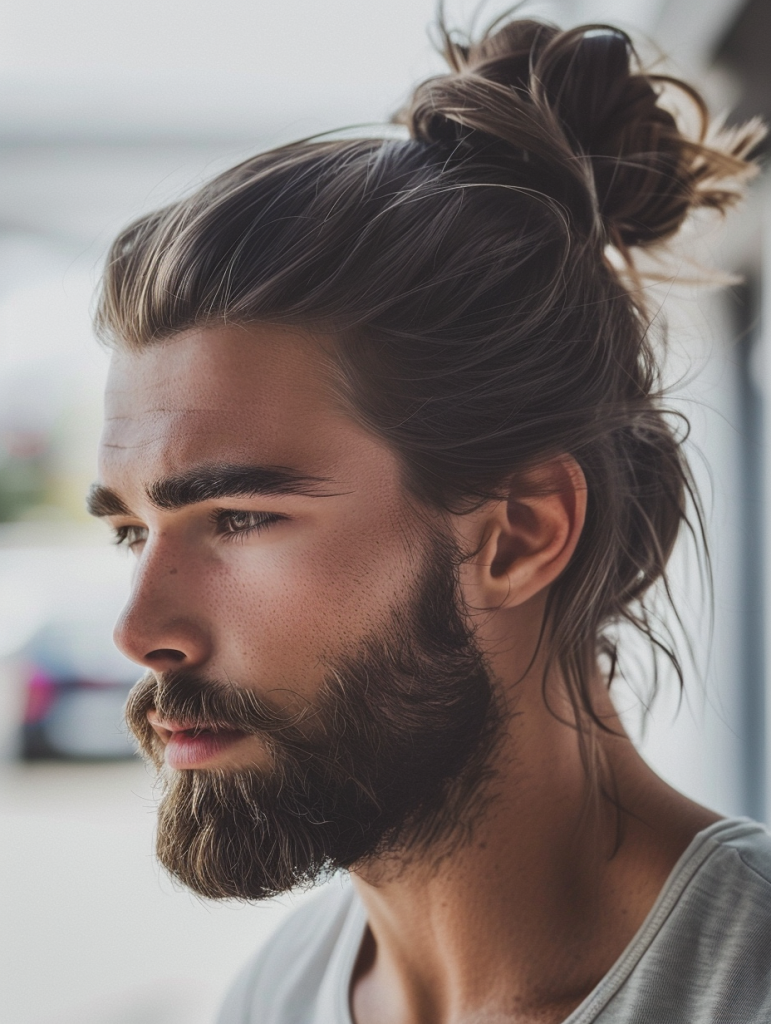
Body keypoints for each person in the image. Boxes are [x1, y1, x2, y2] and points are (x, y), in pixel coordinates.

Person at [87, 12, 771, 1024]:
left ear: (521, 534)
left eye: (238, 519)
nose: (141, 632)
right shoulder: (275, 997)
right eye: (133, 531)